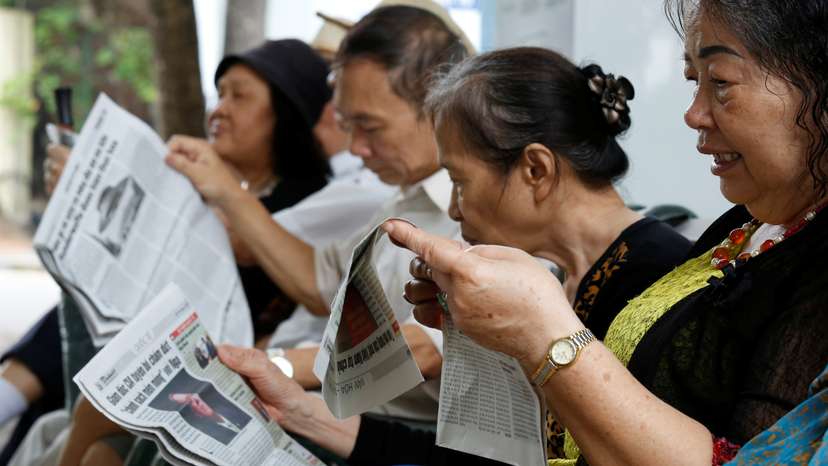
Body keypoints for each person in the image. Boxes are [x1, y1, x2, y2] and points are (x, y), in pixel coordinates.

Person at [381, 1, 828, 464]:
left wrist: (539, 330)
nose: (692, 115)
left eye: (720, 83)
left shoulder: (799, 265)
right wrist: (504, 339)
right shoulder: (744, 226)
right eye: (695, 83)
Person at [213, 46, 695, 465]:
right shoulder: (550, 277)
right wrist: (296, 408)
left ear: (535, 169)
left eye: (460, 182)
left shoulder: (659, 279)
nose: (451, 208)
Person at [166, 4, 471, 423]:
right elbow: (320, 281)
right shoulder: (406, 201)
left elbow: (427, 347)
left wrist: (275, 365)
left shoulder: (475, 209)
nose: (358, 149)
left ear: (437, 106)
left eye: (371, 127)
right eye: (349, 126)